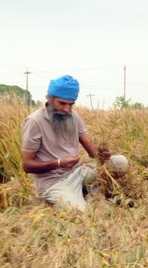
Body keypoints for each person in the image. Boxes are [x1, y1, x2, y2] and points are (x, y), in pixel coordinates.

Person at [21, 75, 111, 211]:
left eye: (71, 104)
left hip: (79, 173)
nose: (67, 109)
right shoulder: (35, 121)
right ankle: (71, 197)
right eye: (62, 103)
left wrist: (102, 154)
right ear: (49, 99)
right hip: (54, 182)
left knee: (119, 162)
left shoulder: (74, 117)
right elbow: (27, 165)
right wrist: (58, 163)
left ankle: (85, 191)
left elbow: (93, 152)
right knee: (80, 213)